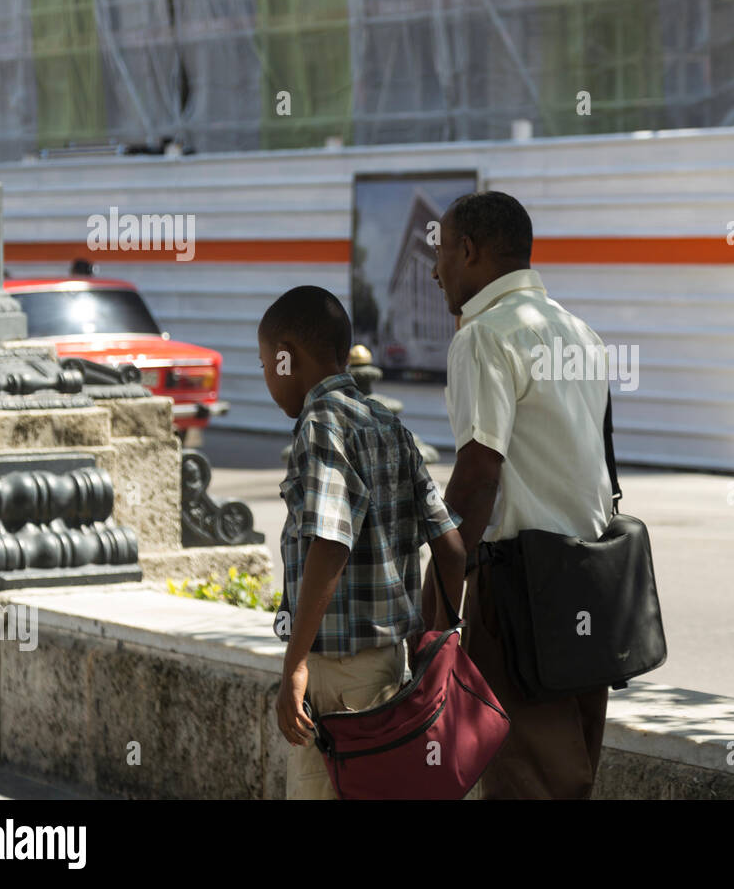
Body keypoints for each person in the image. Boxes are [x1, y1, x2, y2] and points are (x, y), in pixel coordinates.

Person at [425, 191, 614, 799]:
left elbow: (479, 474)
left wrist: (438, 595)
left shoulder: (483, 336)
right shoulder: (578, 331)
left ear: (470, 250)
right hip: (590, 581)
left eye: (442, 253)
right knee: (572, 774)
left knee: (527, 780)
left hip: (518, 592)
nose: (434, 271)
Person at [258, 285, 467, 800]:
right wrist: (435, 641)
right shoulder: (390, 425)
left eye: (266, 365)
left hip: (333, 675)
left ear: (289, 358)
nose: (265, 378)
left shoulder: (321, 423)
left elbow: (330, 542)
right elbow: (453, 548)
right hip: (390, 667)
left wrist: (296, 665)